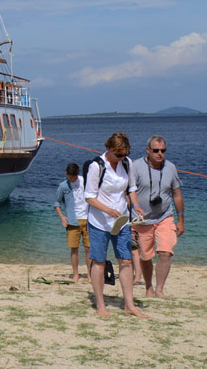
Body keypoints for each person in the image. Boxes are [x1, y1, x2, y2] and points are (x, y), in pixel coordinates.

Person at [85, 132, 148, 319]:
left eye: (124, 154)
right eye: (118, 155)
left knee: (126, 260)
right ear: (109, 149)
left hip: (121, 221)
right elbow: (89, 197)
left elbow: (132, 189)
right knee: (99, 261)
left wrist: (136, 207)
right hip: (99, 221)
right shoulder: (97, 166)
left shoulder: (127, 163)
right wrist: (107, 210)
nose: (121, 158)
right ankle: (100, 305)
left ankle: (129, 304)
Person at [133, 135, 185, 298]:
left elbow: (176, 193)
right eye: (156, 150)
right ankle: (148, 287)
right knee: (145, 255)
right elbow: (129, 192)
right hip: (143, 219)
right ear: (148, 150)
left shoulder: (170, 167)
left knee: (165, 252)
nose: (160, 154)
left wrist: (181, 219)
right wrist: (133, 210)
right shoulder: (136, 167)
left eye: (163, 151)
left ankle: (160, 289)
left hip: (165, 216)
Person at [54, 162, 91, 282]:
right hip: (72, 221)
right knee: (74, 249)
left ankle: (90, 275)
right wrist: (62, 217)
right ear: (67, 174)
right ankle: (76, 274)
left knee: (89, 249)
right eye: (71, 177)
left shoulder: (86, 181)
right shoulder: (63, 186)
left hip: (88, 220)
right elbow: (57, 202)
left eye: (74, 176)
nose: (73, 179)